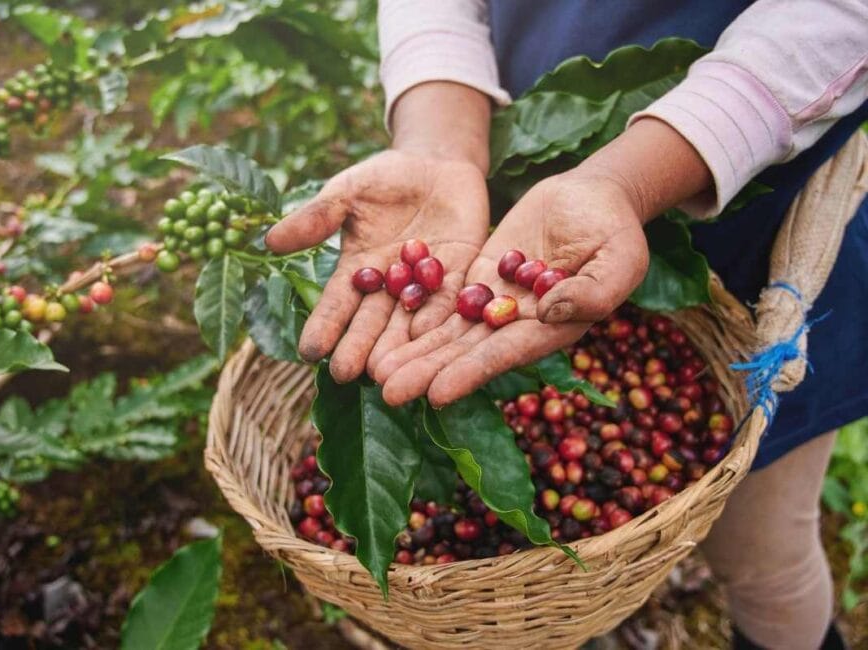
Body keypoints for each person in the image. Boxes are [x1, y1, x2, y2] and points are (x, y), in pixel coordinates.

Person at [265, 2, 868, 648]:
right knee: (552, 510)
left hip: (759, 205)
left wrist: (628, 182)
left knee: (764, 554)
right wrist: (440, 142)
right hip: (519, 192)